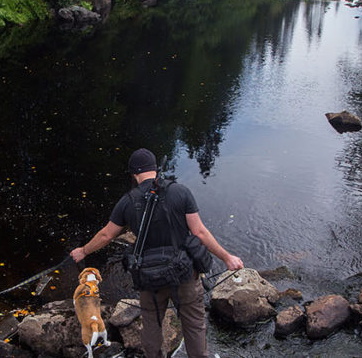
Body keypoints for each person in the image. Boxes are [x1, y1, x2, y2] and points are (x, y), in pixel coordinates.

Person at [71, 148, 244, 358]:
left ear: (134, 174)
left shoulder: (127, 201)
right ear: (155, 170)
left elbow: (106, 235)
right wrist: (227, 257)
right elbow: (199, 232)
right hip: (184, 274)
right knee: (195, 326)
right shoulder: (181, 192)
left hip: (149, 279)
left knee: (152, 325)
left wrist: (83, 250)